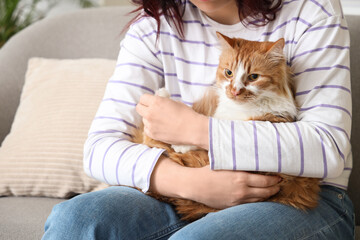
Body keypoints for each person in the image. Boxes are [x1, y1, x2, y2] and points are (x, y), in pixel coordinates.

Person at [42, 0, 355, 239]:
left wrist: (196, 129)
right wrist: (190, 182)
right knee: (77, 218)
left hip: (298, 197)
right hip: (189, 184)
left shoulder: (312, 10)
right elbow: (98, 148)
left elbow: (328, 149)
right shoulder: (155, 27)